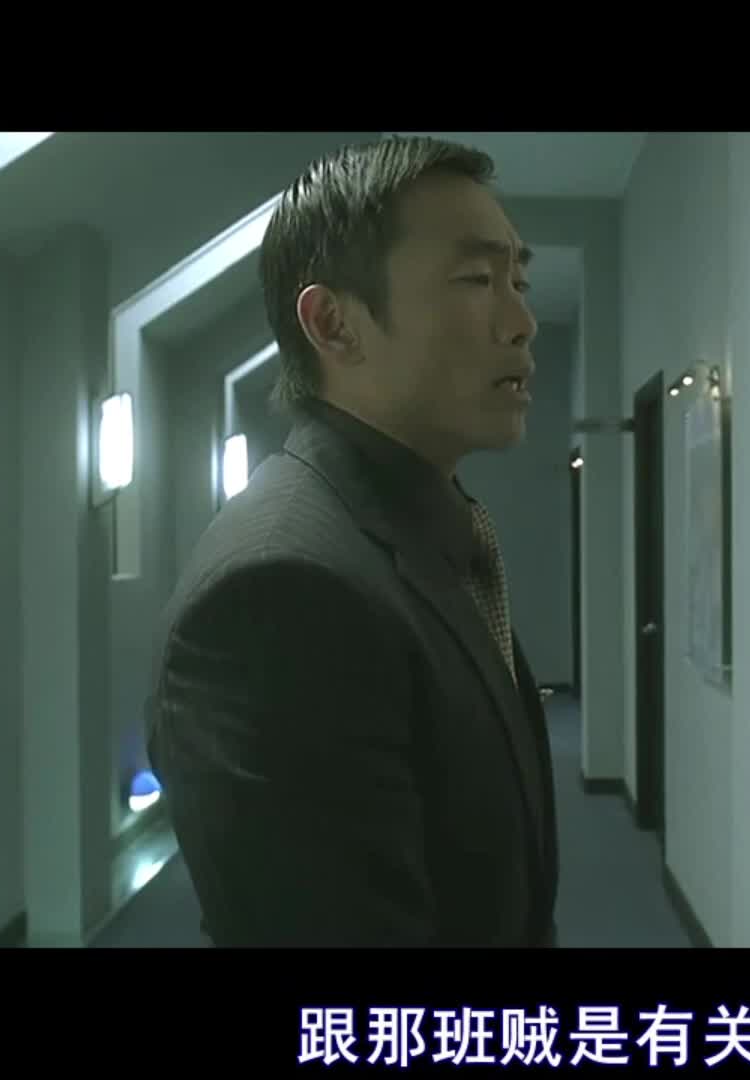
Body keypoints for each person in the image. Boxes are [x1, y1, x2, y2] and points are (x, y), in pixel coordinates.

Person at [144, 135, 559, 946]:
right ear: (334, 324)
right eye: (477, 280)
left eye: (519, 280)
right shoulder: (281, 593)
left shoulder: (414, 528)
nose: (521, 321)